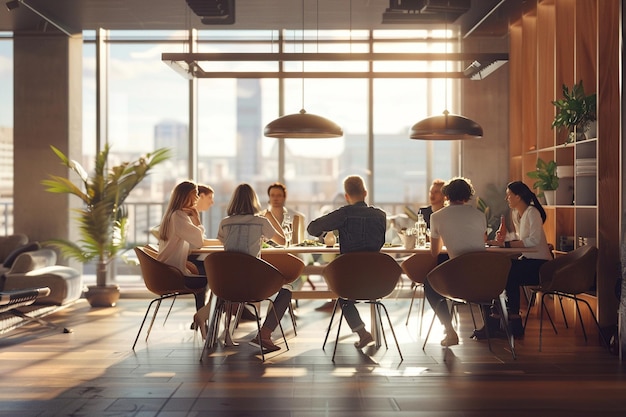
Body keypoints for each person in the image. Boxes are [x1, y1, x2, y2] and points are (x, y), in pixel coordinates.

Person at [193, 183, 290, 353]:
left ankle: (212, 326)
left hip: (226, 286)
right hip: (252, 286)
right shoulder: (261, 221)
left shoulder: (225, 223)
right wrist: (269, 217)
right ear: (255, 201)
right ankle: (264, 335)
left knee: (224, 292)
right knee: (286, 292)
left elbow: (225, 244)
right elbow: (283, 241)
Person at [307, 175, 386, 349]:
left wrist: (325, 236)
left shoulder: (343, 214)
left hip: (350, 280)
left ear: (346, 196)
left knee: (342, 296)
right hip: (378, 280)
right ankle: (368, 335)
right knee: (346, 292)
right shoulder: (381, 215)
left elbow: (312, 228)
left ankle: (362, 333)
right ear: (365, 193)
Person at [486, 181, 553, 337]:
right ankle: (504, 321)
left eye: (509, 195)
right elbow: (521, 239)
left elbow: (534, 241)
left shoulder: (532, 212)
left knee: (508, 271)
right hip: (528, 260)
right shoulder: (518, 215)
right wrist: (503, 240)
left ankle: (508, 321)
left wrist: (506, 244)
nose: (506, 198)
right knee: (502, 269)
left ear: (518, 196)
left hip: (541, 266)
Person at [427, 177, 487, 346]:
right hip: (486, 278)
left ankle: (449, 330)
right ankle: (491, 324)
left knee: (429, 284)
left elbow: (434, 252)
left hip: (459, 281)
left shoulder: (436, 216)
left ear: (446, 196)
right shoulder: (480, 215)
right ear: (468, 196)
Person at [156, 181, 214, 311]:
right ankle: (204, 317)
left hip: (165, 272)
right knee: (214, 280)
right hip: (174, 275)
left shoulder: (172, 215)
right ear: (186, 196)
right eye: (195, 194)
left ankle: (202, 317)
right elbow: (199, 242)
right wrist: (197, 219)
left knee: (205, 273)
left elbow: (195, 241)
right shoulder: (179, 216)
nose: (197, 198)